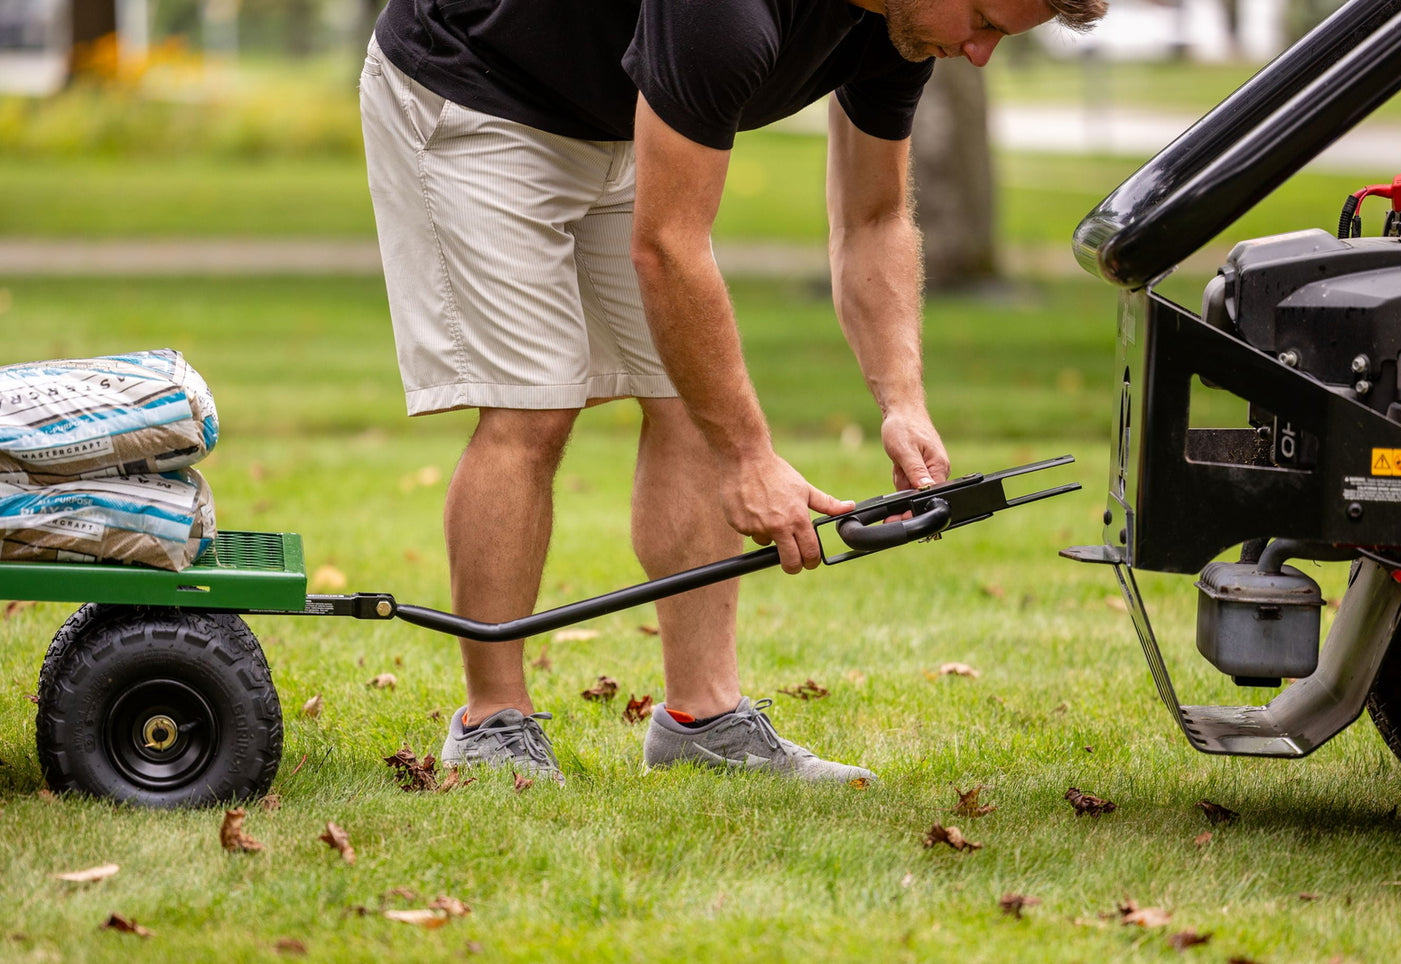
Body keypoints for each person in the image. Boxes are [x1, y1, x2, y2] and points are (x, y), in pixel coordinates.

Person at [359, 0, 1107, 786]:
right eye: (984, 20)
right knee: (533, 404)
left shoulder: (901, 26)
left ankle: (703, 722)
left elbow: (874, 216)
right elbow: (667, 247)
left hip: (620, 112)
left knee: (693, 397)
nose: (980, 52)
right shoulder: (724, 14)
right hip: (474, 88)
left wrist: (902, 401)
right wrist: (749, 458)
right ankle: (492, 725)